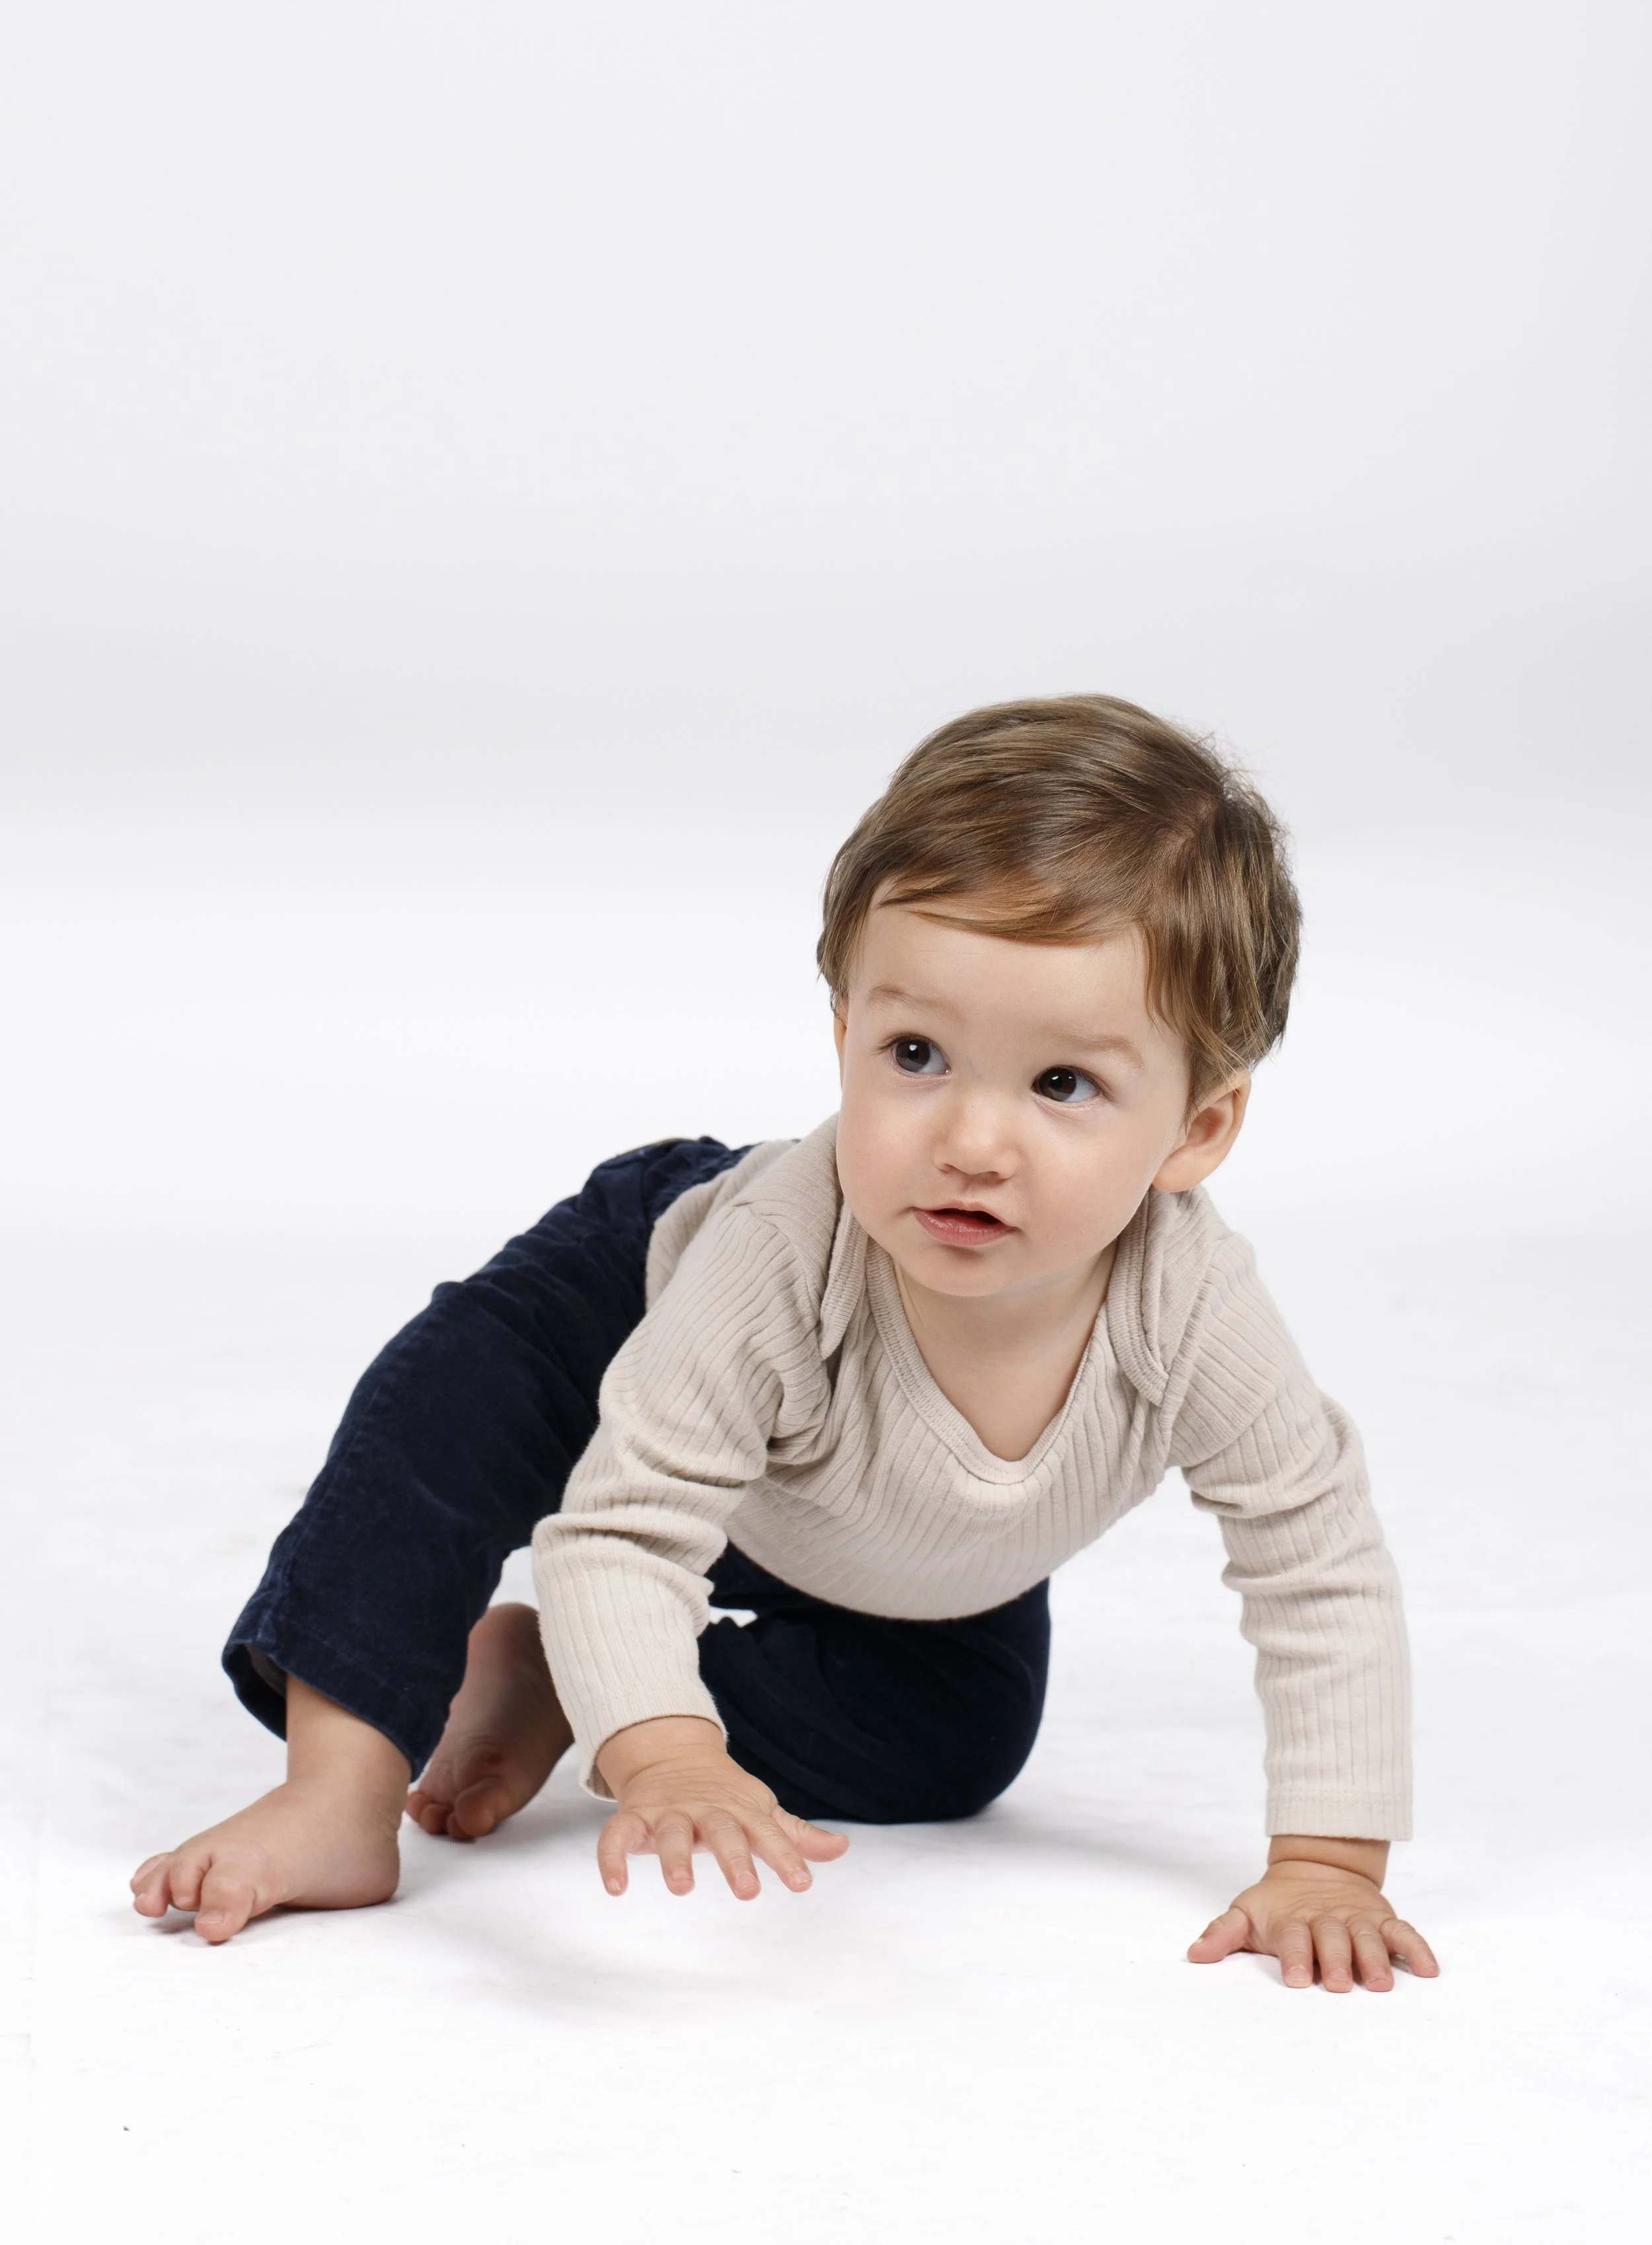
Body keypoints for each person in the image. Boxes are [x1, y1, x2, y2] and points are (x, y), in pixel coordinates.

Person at [130, 694, 1439, 1993]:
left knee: (954, 1743)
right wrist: (667, 1759)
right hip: (643, 1314)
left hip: (879, 1538)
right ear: (844, 1037)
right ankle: (339, 1790)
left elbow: (1317, 1565)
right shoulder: (777, 1253)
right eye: (915, 1053)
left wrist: (1329, 1863)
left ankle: (565, 1673)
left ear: (1198, 1130)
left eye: (1061, 1084)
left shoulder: (1192, 1314)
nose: (970, 1142)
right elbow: (622, 1527)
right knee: (445, 1418)